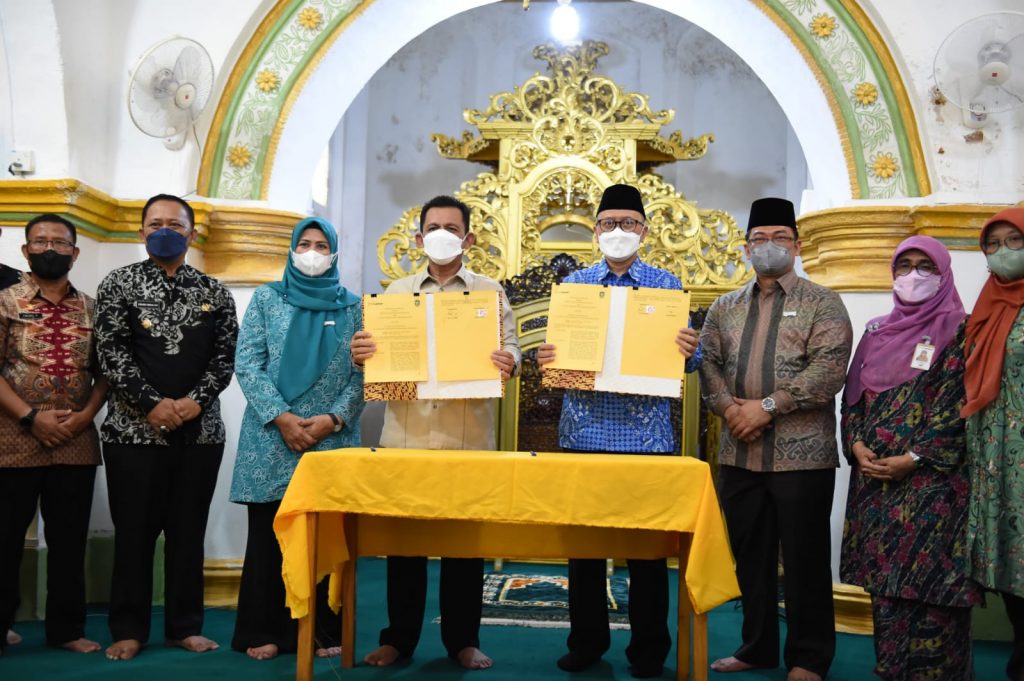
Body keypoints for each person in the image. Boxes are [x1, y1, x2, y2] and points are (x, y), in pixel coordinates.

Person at [535, 183, 702, 679]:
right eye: (609, 223)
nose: (618, 231)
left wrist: (689, 350)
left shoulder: (667, 287)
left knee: (646, 552)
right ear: (595, 231)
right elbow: (555, 359)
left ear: (644, 231)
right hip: (583, 434)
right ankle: (586, 643)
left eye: (628, 223)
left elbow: (690, 364)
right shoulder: (575, 287)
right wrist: (548, 357)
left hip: (646, 440)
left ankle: (648, 650)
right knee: (585, 551)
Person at [351, 194, 520, 670]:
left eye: (452, 228)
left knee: (463, 547)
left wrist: (510, 360)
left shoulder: (490, 292)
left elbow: (512, 348)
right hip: (405, 437)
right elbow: (373, 358)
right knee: (404, 545)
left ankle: (462, 640)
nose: (442, 235)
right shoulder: (395, 293)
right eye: (433, 228)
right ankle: (398, 640)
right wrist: (362, 354)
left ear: (468, 238)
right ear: (419, 238)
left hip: (468, 439)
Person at [699, 197, 851, 681]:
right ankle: (757, 647)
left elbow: (828, 371)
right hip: (739, 453)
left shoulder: (823, 302)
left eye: (780, 237)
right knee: (751, 558)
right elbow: (708, 364)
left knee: (805, 559)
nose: (770, 246)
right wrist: (731, 410)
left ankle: (809, 658)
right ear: (746, 249)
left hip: (801, 457)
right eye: (760, 239)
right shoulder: (724, 306)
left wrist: (764, 407)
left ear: (797, 246)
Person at [95, 194, 239, 661]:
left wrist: (195, 402)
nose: (164, 231)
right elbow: (111, 353)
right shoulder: (118, 283)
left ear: (191, 234)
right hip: (132, 434)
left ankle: (184, 627)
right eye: (155, 223)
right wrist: (151, 404)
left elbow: (225, 358)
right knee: (133, 535)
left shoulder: (215, 291)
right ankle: (128, 629)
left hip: (200, 435)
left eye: (175, 224)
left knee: (187, 534)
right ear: (141, 232)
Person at [841, 236, 981, 680]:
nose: (913, 275)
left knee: (935, 591)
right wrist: (856, 445)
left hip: (934, 489)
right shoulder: (875, 331)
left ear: (943, 274)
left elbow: (959, 406)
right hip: (876, 487)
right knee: (886, 590)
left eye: (926, 266)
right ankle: (892, 669)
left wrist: (916, 456)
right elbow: (853, 399)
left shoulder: (962, 331)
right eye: (904, 266)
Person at [229, 217, 363, 660]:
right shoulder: (267, 299)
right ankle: (265, 631)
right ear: (291, 249)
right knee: (269, 539)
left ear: (334, 254)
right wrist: (283, 418)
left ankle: (322, 632)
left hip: (331, 440)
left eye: (322, 246)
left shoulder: (355, 307)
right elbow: (248, 363)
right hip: (272, 438)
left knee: (326, 538)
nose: (312, 252)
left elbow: (365, 374)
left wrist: (334, 419)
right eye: (304, 244)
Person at [0, 214, 107, 655]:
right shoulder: (5, 302)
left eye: (60, 243)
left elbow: (106, 373)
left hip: (76, 443)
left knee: (68, 541)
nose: (50, 249)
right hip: (12, 440)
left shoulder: (94, 308)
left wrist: (86, 417)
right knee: (4, 540)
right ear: (25, 251)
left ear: (74, 253)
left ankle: (67, 631)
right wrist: (30, 418)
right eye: (40, 241)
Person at [963, 207, 1024, 681]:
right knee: (1004, 552)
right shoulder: (986, 305)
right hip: (993, 454)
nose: (1002, 251)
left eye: (1014, 240)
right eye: (993, 243)